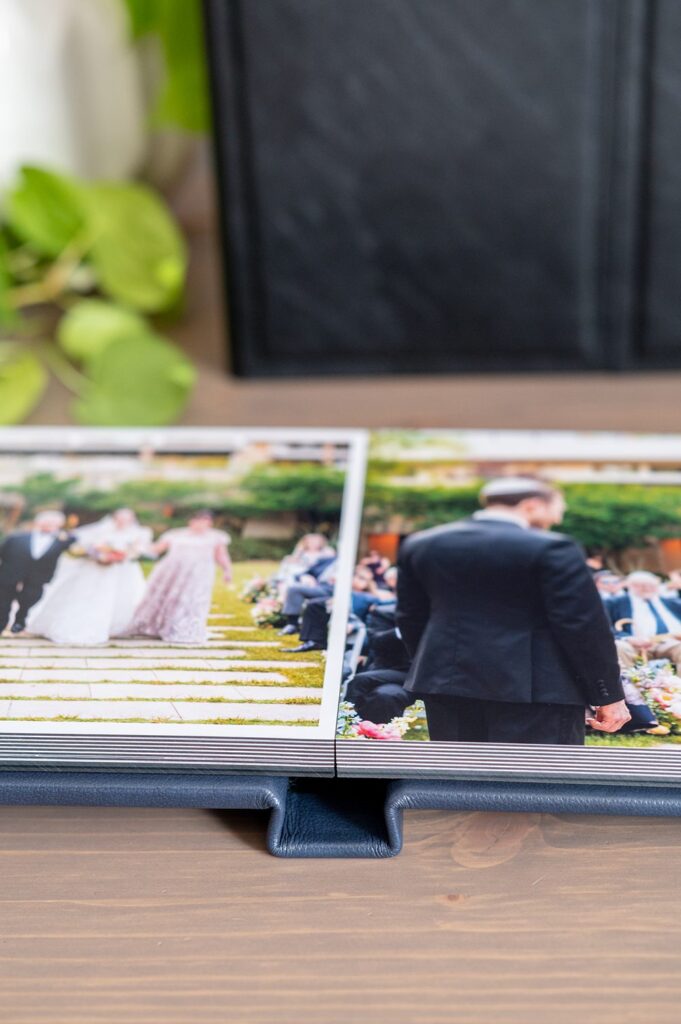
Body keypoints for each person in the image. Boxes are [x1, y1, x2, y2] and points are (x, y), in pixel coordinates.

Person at [396, 477, 629, 745]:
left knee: (459, 778)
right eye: (556, 511)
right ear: (532, 506)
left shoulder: (422, 544)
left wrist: (433, 667)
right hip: (539, 689)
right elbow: (581, 625)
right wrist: (608, 695)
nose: (556, 520)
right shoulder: (552, 547)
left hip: (448, 682)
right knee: (537, 782)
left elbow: (411, 618)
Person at [27, 509, 152, 645]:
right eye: (120, 518)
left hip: (123, 570)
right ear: (115, 518)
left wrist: (121, 556)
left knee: (122, 597)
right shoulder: (102, 530)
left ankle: (115, 626)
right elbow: (86, 545)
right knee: (88, 595)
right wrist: (99, 555)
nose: (122, 521)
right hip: (96, 568)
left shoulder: (139, 533)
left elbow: (137, 551)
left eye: (126, 519)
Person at [126, 510, 231, 646]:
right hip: (171, 572)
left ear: (210, 522)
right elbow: (156, 549)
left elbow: (221, 555)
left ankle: (184, 629)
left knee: (193, 600)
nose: (200, 524)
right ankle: (158, 626)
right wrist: (136, 546)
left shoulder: (216, 537)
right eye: (197, 520)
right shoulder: (175, 534)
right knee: (167, 598)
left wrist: (227, 570)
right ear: (190, 521)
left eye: (205, 520)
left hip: (199, 574)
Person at [0, 510, 75, 635]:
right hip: (9, 575)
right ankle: (2, 623)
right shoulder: (16, 538)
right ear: (38, 522)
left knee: (29, 599)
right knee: (3, 601)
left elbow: (78, 545)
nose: (48, 525)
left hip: (38, 578)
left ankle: (20, 619)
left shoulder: (63, 540)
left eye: (53, 523)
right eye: (46, 522)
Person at [607, 571, 681, 674]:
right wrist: (628, 638)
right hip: (634, 644)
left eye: (651, 585)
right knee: (619, 646)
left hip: (669, 642)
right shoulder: (615, 603)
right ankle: (632, 686)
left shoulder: (671, 603)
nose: (647, 588)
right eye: (641, 585)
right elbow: (605, 627)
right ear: (630, 586)